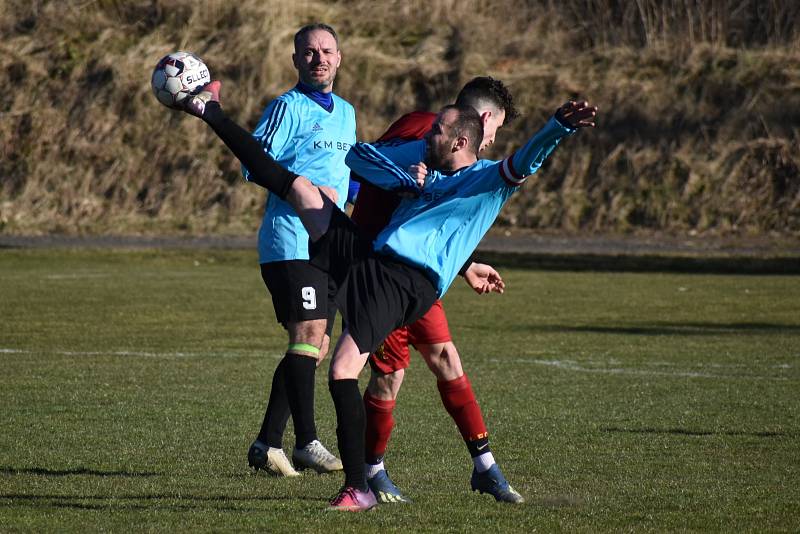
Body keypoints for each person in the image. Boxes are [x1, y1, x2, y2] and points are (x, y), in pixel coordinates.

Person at [180, 80, 596, 510]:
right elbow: (357, 155)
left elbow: (527, 160)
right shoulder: (426, 163)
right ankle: (212, 114)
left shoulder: (488, 179)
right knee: (303, 190)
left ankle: (360, 486)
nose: (427, 135)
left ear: (461, 140)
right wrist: (403, 178)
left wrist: (557, 128)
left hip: (404, 285)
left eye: (437, 130)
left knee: (343, 370)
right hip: (373, 261)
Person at [350, 77, 525, 504]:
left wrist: (464, 264)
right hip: (378, 273)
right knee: (389, 376)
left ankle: (485, 468)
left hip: (416, 278)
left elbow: (433, 211)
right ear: (482, 122)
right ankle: (371, 472)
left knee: (446, 358)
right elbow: (362, 162)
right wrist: (399, 182)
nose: (492, 142)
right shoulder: (425, 131)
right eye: (497, 130)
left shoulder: (444, 145)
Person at [244, 23, 351, 477]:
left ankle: (267, 444)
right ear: (295, 60)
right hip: (289, 240)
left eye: (326, 51)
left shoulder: (346, 111)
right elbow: (254, 164)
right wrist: (304, 189)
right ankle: (307, 441)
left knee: (318, 345)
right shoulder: (286, 107)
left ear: (339, 58)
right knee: (308, 335)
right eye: (308, 53)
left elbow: (347, 170)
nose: (318, 59)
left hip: (328, 245)